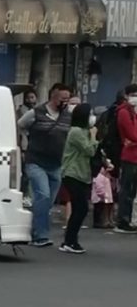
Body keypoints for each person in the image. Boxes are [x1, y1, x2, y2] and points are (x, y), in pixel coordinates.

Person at [17, 83, 72, 247]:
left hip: (56, 164)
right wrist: (26, 141)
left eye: (68, 98)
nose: (66, 102)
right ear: (53, 96)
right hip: (36, 162)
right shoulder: (36, 113)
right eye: (63, 98)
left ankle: (33, 228)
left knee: (47, 202)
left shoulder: (67, 116)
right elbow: (20, 125)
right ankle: (40, 236)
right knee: (43, 195)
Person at [59, 104, 99, 254]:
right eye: (90, 114)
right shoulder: (76, 132)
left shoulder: (84, 131)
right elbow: (89, 150)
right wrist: (94, 136)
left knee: (79, 208)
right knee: (81, 208)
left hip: (83, 174)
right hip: (72, 173)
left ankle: (69, 240)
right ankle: (70, 240)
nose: (92, 117)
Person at [115, 84, 137, 233]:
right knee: (127, 190)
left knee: (132, 191)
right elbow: (132, 134)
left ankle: (129, 219)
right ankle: (123, 220)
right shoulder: (124, 112)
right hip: (130, 156)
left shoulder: (133, 112)